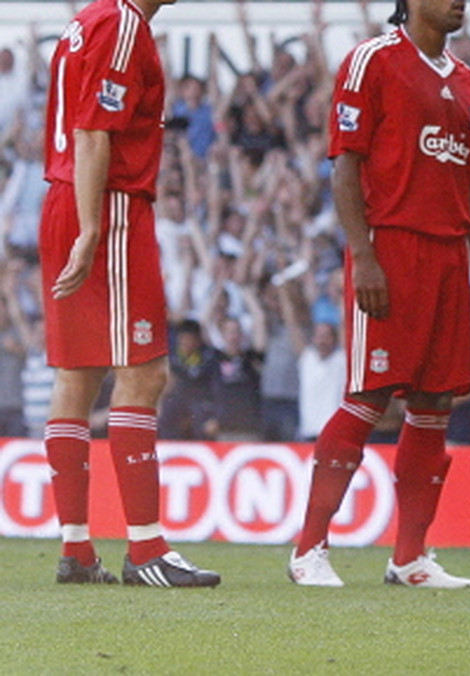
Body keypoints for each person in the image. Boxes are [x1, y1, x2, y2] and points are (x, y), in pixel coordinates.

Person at [289, 0, 470, 588]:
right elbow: (344, 164)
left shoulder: (469, 82)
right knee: (369, 394)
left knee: (435, 402)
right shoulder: (372, 60)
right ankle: (308, 550)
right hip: (390, 247)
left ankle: (410, 557)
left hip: (448, 257)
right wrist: (363, 254)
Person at [40, 0, 219, 587]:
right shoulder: (122, 25)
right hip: (109, 206)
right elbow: (94, 130)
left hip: (67, 196)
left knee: (78, 373)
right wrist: (94, 229)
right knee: (143, 372)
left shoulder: (90, 19)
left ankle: (77, 548)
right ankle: (146, 549)